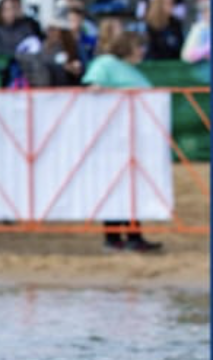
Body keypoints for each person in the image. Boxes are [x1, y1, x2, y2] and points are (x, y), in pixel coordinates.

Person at [83, 31, 164, 252]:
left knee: (132, 189)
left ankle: (134, 235)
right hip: (112, 139)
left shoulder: (131, 70)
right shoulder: (106, 63)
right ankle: (112, 238)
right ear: (127, 47)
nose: (143, 51)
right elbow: (92, 88)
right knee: (113, 188)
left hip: (133, 139)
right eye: (139, 46)